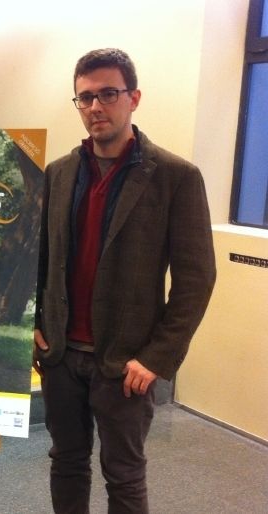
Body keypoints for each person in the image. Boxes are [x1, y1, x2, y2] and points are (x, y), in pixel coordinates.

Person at [33, 48, 216, 513]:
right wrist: (33, 324)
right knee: (66, 462)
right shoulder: (58, 174)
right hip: (61, 355)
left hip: (126, 363)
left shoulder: (175, 177)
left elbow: (196, 279)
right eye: (85, 97)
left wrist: (156, 358)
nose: (96, 107)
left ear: (133, 98)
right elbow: (41, 258)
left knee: (125, 476)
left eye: (108, 94)